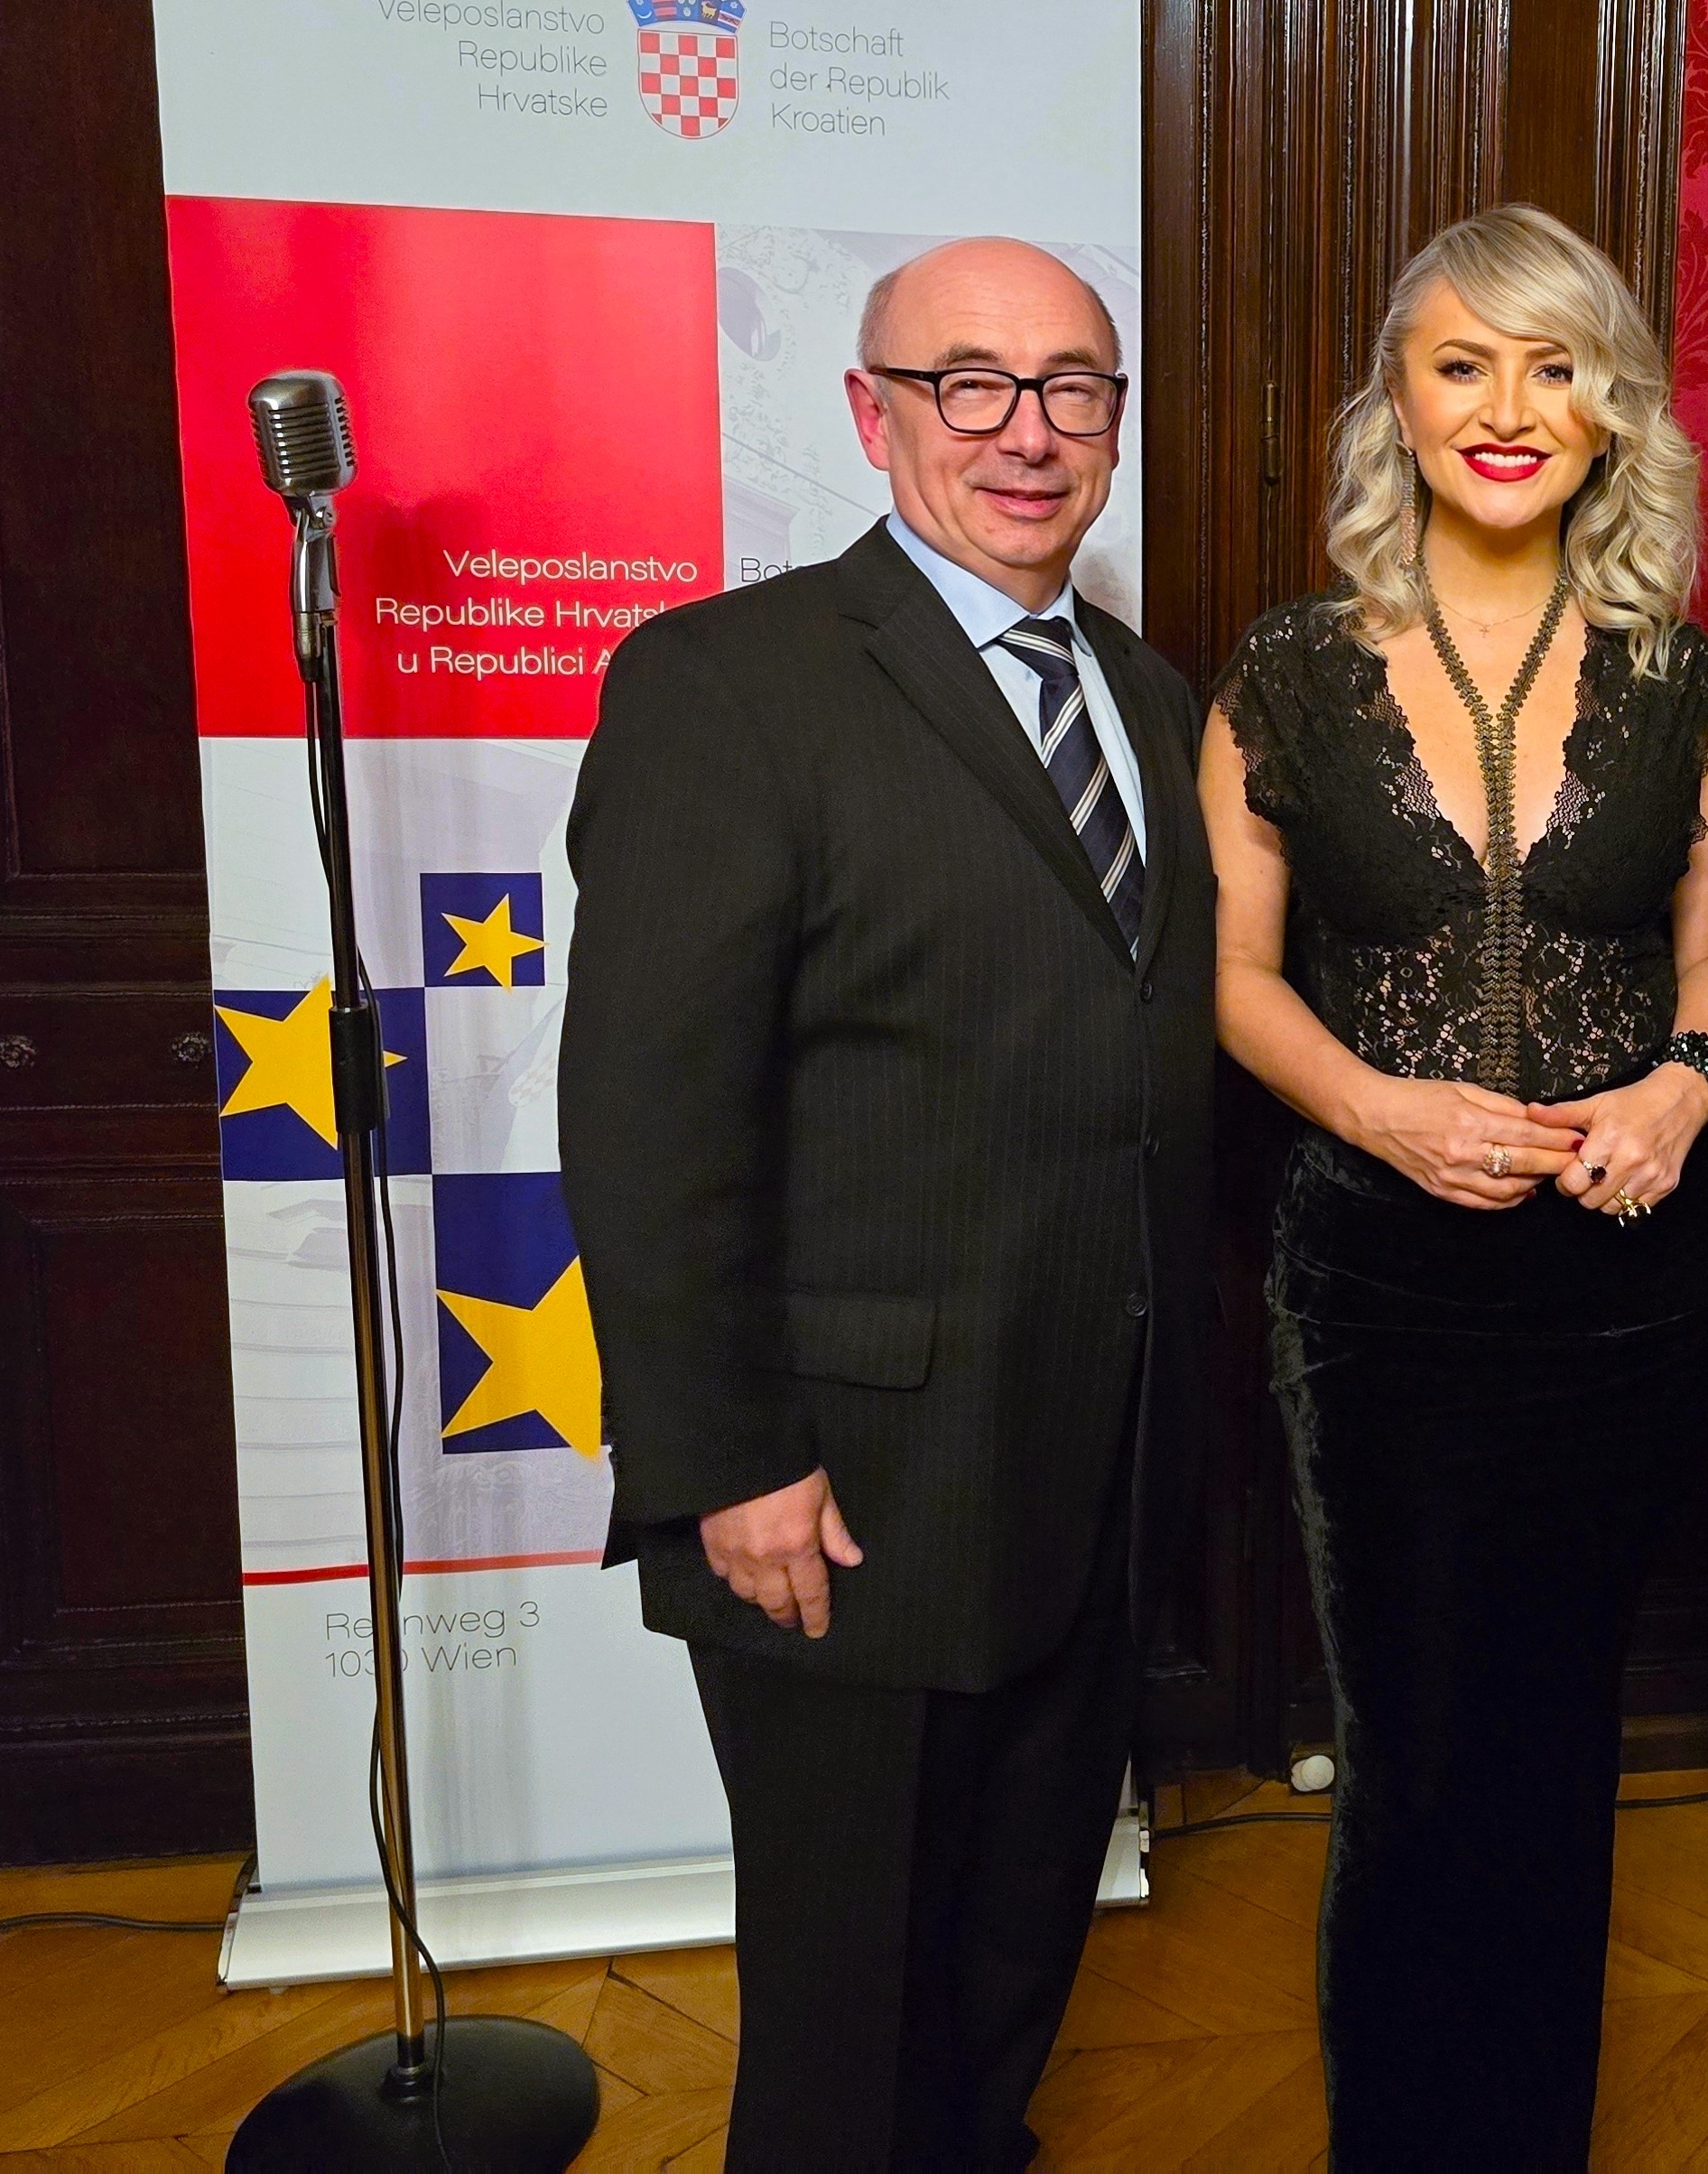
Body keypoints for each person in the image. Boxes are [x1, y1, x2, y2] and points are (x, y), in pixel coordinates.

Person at [562, 237, 1214, 2172]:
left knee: (1015, 1951)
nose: (1027, 433)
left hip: (1089, 1457)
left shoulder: (1152, 698)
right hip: (839, 1492)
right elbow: (646, 1119)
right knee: (847, 2017)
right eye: (968, 385)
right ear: (871, 412)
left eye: (1072, 387)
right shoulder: (727, 683)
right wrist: (724, 1459)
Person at [1200, 205, 1708, 2169]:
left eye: (1553, 367)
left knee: (1555, 1744)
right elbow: (1235, 977)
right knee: (1411, 1757)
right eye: (1460, 365)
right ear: (1399, 405)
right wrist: (1378, 1112)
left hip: (1617, 1290)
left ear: (1609, 414)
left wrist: (1685, 1087)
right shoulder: (1284, 672)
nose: (1506, 410)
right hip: (1378, 1296)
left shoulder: (1682, 679)